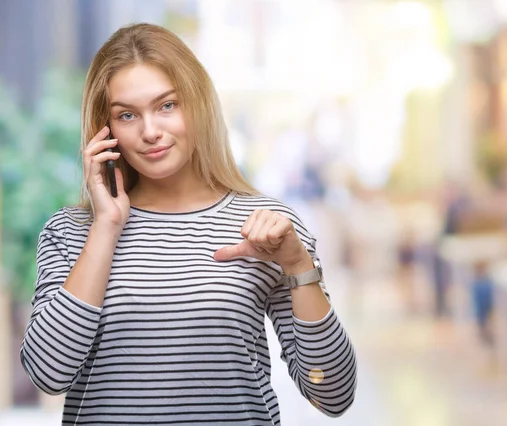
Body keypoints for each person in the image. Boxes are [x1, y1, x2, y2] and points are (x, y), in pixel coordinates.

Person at [20, 23, 357, 425]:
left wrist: (299, 266)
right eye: (127, 115)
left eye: (167, 105)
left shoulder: (269, 226)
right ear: (105, 132)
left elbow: (331, 394)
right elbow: (48, 374)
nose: (150, 132)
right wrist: (107, 226)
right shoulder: (72, 231)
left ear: (197, 104)